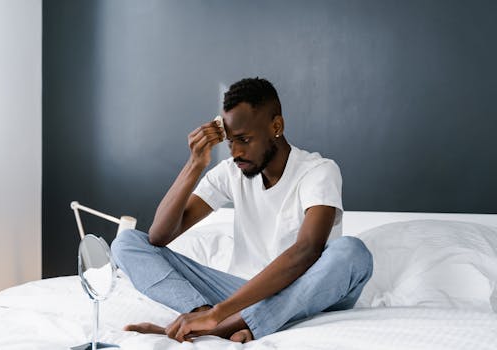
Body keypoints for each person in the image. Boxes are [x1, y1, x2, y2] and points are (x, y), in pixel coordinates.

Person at [111, 77, 373, 343]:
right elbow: (159, 236)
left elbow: (307, 250)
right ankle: (199, 318)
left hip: (311, 292)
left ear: (276, 126)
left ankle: (217, 328)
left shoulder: (318, 171)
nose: (235, 152)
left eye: (245, 139)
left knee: (352, 252)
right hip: (240, 294)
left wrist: (219, 314)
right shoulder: (231, 172)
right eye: (230, 142)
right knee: (126, 243)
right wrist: (194, 164)